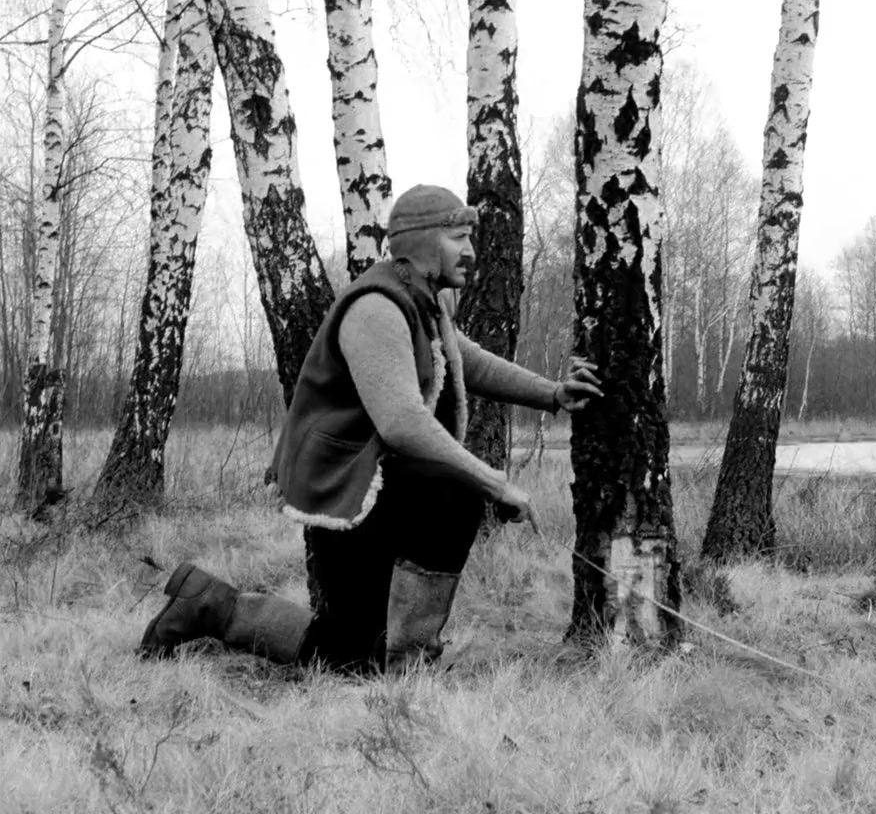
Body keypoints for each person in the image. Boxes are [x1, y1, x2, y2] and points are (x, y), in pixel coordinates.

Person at [139, 184, 603, 673]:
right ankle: (407, 659)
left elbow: (469, 361)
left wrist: (553, 394)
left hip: (378, 490)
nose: (470, 251)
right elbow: (402, 422)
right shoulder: (377, 307)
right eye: (458, 238)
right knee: (451, 498)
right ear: (422, 242)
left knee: (349, 652)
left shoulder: (424, 302)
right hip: (346, 493)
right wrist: (493, 481)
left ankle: (209, 603)